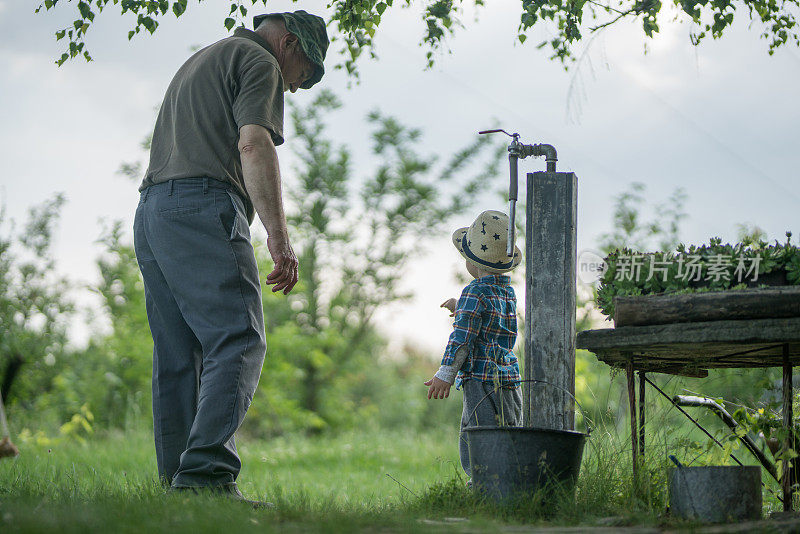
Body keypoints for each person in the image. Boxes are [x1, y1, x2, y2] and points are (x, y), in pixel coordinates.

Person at [133, 11, 329, 499]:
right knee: (239, 339)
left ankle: (179, 485)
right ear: (288, 43)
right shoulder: (258, 61)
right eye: (300, 76)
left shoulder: (203, 59)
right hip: (204, 207)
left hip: (153, 210)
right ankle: (205, 477)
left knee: (179, 355)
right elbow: (254, 142)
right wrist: (279, 239)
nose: (295, 88)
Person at [424, 210, 523, 482]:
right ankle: (511, 483)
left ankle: (482, 488)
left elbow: (463, 338)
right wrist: (462, 308)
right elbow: (492, 324)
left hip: (480, 379)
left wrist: (446, 374)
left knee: (477, 432)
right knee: (509, 429)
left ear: (473, 263)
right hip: (509, 376)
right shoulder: (507, 291)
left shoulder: (474, 290)